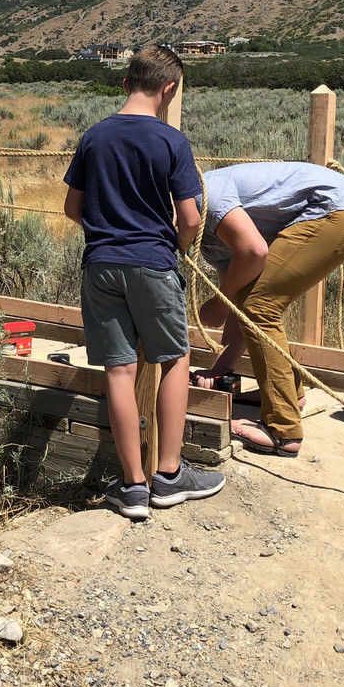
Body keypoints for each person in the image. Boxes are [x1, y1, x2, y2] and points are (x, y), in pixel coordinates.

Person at [63, 43, 224, 520]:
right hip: (153, 262)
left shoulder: (94, 136)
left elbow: (72, 207)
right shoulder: (171, 141)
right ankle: (169, 475)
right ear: (168, 89)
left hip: (101, 264)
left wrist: (107, 230)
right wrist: (176, 244)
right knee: (174, 359)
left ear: (126, 82)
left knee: (119, 369)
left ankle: (133, 486)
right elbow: (190, 217)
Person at [193, 161, 344, 457]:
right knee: (253, 303)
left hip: (337, 210)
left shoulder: (205, 195)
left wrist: (218, 303)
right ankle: (291, 395)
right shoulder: (209, 240)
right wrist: (219, 371)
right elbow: (239, 305)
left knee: (260, 304)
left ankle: (282, 429)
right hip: (343, 210)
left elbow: (253, 255)